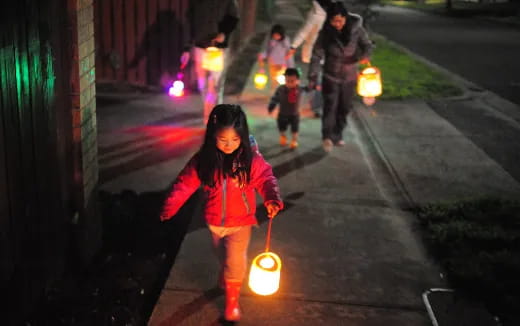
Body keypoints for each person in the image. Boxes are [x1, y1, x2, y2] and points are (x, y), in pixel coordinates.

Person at [159, 104, 283, 322]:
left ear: (242, 137)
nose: (229, 146)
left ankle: (232, 303)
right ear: (212, 136)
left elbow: (265, 178)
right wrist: (170, 206)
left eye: (235, 140)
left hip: (241, 222)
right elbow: (184, 184)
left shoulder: (250, 160)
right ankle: (225, 273)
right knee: (221, 255)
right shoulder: (203, 160)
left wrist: (272, 197)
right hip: (215, 221)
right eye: (223, 140)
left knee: (235, 261)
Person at [308, 2, 372, 152]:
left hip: (349, 76)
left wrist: (364, 56)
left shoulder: (357, 29)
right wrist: (313, 75)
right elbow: (317, 55)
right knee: (330, 106)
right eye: (334, 21)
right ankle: (327, 137)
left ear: (346, 18)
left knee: (344, 107)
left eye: (340, 20)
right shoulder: (325, 33)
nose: (337, 24)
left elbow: (367, 45)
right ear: (329, 20)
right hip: (331, 75)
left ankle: (337, 133)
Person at [180, 0, 240, 123]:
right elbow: (189, 23)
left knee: (216, 84)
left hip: (218, 48)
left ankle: (215, 114)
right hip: (200, 46)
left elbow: (233, 17)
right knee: (202, 84)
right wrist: (186, 48)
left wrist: (224, 33)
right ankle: (208, 111)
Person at [285, 0, 331, 118]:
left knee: (318, 81)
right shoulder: (316, 15)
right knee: (317, 81)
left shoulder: (331, 13)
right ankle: (314, 106)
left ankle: (311, 104)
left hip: (327, 54)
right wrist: (293, 46)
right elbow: (304, 32)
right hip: (315, 54)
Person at [267, 68, 309, 149]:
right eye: (287, 81)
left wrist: (313, 85)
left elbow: (309, 88)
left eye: (292, 81)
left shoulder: (300, 88)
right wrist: (271, 107)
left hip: (294, 114)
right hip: (282, 113)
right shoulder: (281, 89)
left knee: (295, 129)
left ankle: (294, 140)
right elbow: (275, 98)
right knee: (281, 128)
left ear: (298, 80)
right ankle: (283, 136)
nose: (289, 83)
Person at [258, 24, 294, 90]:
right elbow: (267, 51)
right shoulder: (270, 40)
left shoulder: (285, 41)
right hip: (272, 64)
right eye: (274, 35)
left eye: (278, 35)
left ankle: (283, 94)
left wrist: (290, 67)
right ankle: (274, 94)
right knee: (274, 82)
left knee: (282, 82)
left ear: (281, 35)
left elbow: (289, 54)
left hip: (283, 65)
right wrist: (262, 55)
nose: (276, 37)